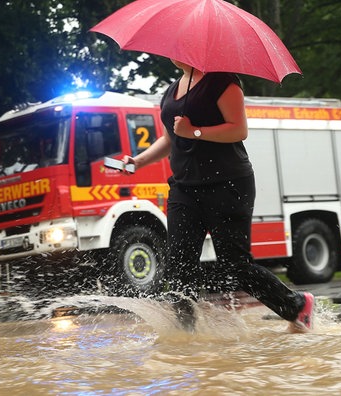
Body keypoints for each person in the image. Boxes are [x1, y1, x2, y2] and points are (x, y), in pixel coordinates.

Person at [122, 59, 314, 333]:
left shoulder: (224, 82)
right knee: (178, 266)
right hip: (184, 189)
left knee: (235, 265)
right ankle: (185, 334)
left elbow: (238, 129)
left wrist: (195, 132)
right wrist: (138, 162)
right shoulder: (171, 90)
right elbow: (170, 139)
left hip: (228, 184)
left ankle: (297, 305)